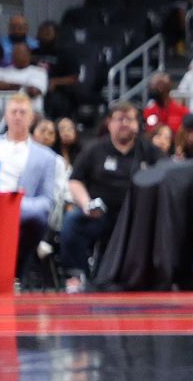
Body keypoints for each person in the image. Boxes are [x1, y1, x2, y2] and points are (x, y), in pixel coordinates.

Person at [63, 102, 161, 289]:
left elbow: (167, 174)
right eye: (119, 119)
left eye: (129, 119)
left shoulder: (149, 151)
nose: (124, 123)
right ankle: (78, 276)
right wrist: (86, 203)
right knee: (73, 221)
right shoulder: (94, 149)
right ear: (109, 123)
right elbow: (75, 180)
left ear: (137, 124)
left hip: (137, 218)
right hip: (102, 214)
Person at [0, 94, 61, 279]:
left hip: (16, 211)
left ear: (31, 118)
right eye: (13, 112)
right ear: (6, 117)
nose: (17, 116)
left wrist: (15, 203)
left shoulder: (45, 156)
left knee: (32, 223)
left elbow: (47, 202)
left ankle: (9, 276)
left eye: (22, 113)